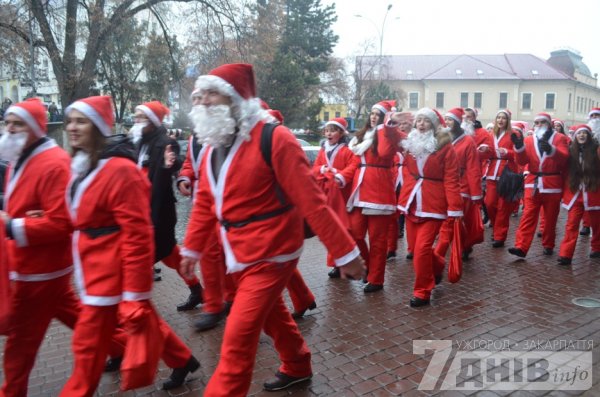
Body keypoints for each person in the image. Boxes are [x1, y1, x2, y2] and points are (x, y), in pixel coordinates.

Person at [180, 63, 365, 396]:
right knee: (272, 315)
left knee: (237, 340)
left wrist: (346, 252)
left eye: (210, 93)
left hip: (274, 250)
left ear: (233, 98)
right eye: (200, 94)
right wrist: (192, 247)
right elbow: (206, 202)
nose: (202, 101)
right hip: (238, 251)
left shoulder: (275, 138)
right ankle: (297, 364)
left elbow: (313, 203)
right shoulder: (211, 147)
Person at [59, 96, 199, 395]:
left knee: (87, 347)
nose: (72, 127)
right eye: (70, 120)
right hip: (95, 270)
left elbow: (138, 231)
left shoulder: (121, 168)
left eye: (80, 121)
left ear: (97, 127)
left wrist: (135, 292)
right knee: (145, 321)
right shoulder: (82, 166)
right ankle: (182, 359)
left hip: (113, 271)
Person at [0, 98, 82, 397]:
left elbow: (61, 224)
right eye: (8, 121)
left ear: (35, 127)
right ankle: (168, 353)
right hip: (33, 267)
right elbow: (19, 204)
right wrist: (15, 217)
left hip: (41, 272)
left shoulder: (54, 163)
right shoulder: (21, 155)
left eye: (17, 123)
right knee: (89, 326)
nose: (9, 128)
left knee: (19, 347)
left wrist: (12, 225)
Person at [133, 101, 204, 311]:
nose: (136, 121)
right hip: (140, 210)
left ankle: (134, 306)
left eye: (141, 117)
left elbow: (168, 173)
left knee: (139, 259)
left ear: (153, 121)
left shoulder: (165, 143)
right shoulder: (139, 142)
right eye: (135, 116)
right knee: (172, 257)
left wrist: (168, 164)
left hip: (158, 214)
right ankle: (197, 290)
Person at [177, 90, 234, 331]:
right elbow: (190, 163)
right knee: (209, 258)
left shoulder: (230, 132)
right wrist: (184, 177)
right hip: (204, 204)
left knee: (231, 256)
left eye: (203, 98)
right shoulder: (195, 137)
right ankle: (213, 305)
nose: (199, 103)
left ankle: (232, 299)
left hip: (230, 206)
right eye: (195, 100)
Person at [397, 108, 463, 307]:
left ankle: (423, 291)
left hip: (433, 203)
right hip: (413, 200)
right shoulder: (410, 142)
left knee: (422, 249)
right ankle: (438, 264)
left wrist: (454, 207)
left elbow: (452, 178)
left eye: (426, 121)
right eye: (419, 120)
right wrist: (392, 120)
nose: (421, 124)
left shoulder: (444, 146)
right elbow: (391, 140)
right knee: (420, 251)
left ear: (434, 124)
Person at [347, 100, 399, 293]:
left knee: (377, 240)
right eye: (372, 113)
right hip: (359, 190)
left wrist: (385, 128)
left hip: (379, 192)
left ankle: (376, 280)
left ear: (384, 117)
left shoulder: (387, 137)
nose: (373, 116)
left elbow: (385, 152)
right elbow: (352, 164)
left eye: (378, 113)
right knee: (354, 233)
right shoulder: (359, 138)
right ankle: (368, 266)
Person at [508, 112, 569, 258]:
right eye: (537, 123)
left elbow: (564, 159)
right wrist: (519, 147)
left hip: (552, 184)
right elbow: (522, 162)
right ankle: (521, 246)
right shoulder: (529, 140)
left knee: (550, 218)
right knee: (528, 215)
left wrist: (551, 150)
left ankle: (548, 244)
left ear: (549, 124)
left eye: (543, 122)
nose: (539, 125)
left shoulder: (560, 138)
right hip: (533, 183)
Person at [434, 108, 482, 264]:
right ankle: (465, 243)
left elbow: (473, 168)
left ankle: (440, 254)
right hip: (444, 185)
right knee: (453, 221)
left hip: (462, 187)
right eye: (445, 119)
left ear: (457, 121)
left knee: (453, 220)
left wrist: (475, 194)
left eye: (450, 119)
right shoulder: (442, 139)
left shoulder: (468, 141)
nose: (447, 122)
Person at [312, 117, 357, 278]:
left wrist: (340, 176)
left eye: (333, 130)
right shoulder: (323, 150)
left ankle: (346, 262)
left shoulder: (347, 150)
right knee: (333, 229)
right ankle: (336, 264)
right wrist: (323, 170)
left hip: (343, 195)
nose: (329, 133)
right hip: (328, 194)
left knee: (345, 229)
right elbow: (315, 167)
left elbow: (353, 166)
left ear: (341, 133)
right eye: (327, 130)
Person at [557, 125, 600, 265]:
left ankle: (596, 247)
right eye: (579, 133)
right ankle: (565, 254)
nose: (581, 135)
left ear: (589, 136)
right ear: (575, 136)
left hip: (593, 192)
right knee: (571, 224)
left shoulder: (596, 151)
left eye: (584, 133)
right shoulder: (570, 151)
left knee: (597, 224)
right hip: (575, 193)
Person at [478, 109, 519, 247]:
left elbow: (519, 154)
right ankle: (496, 228)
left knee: (503, 207)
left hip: (506, 173)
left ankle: (500, 236)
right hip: (491, 173)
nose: (501, 120)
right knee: (489, 203)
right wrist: (485, 150)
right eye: (498, 117)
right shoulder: (491, 134)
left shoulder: (514, 134)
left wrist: (507, 152)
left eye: (504, 118)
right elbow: (487, 153)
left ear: (508, 121)